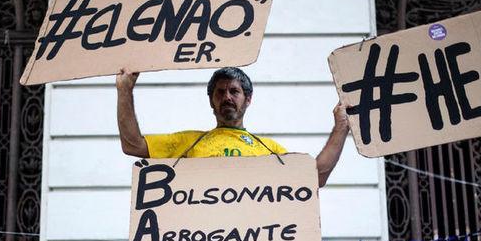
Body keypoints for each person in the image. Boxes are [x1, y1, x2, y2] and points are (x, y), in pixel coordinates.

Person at [116, 66, 348, 187]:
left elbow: (315, 177)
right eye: (220, 92)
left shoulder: (269, 150)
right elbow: (132, 145)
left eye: (234, 91)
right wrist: (124, 89)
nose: (227, 97)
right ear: (211, 101)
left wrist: (342, 126)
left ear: (248, 99)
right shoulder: (187, 142)